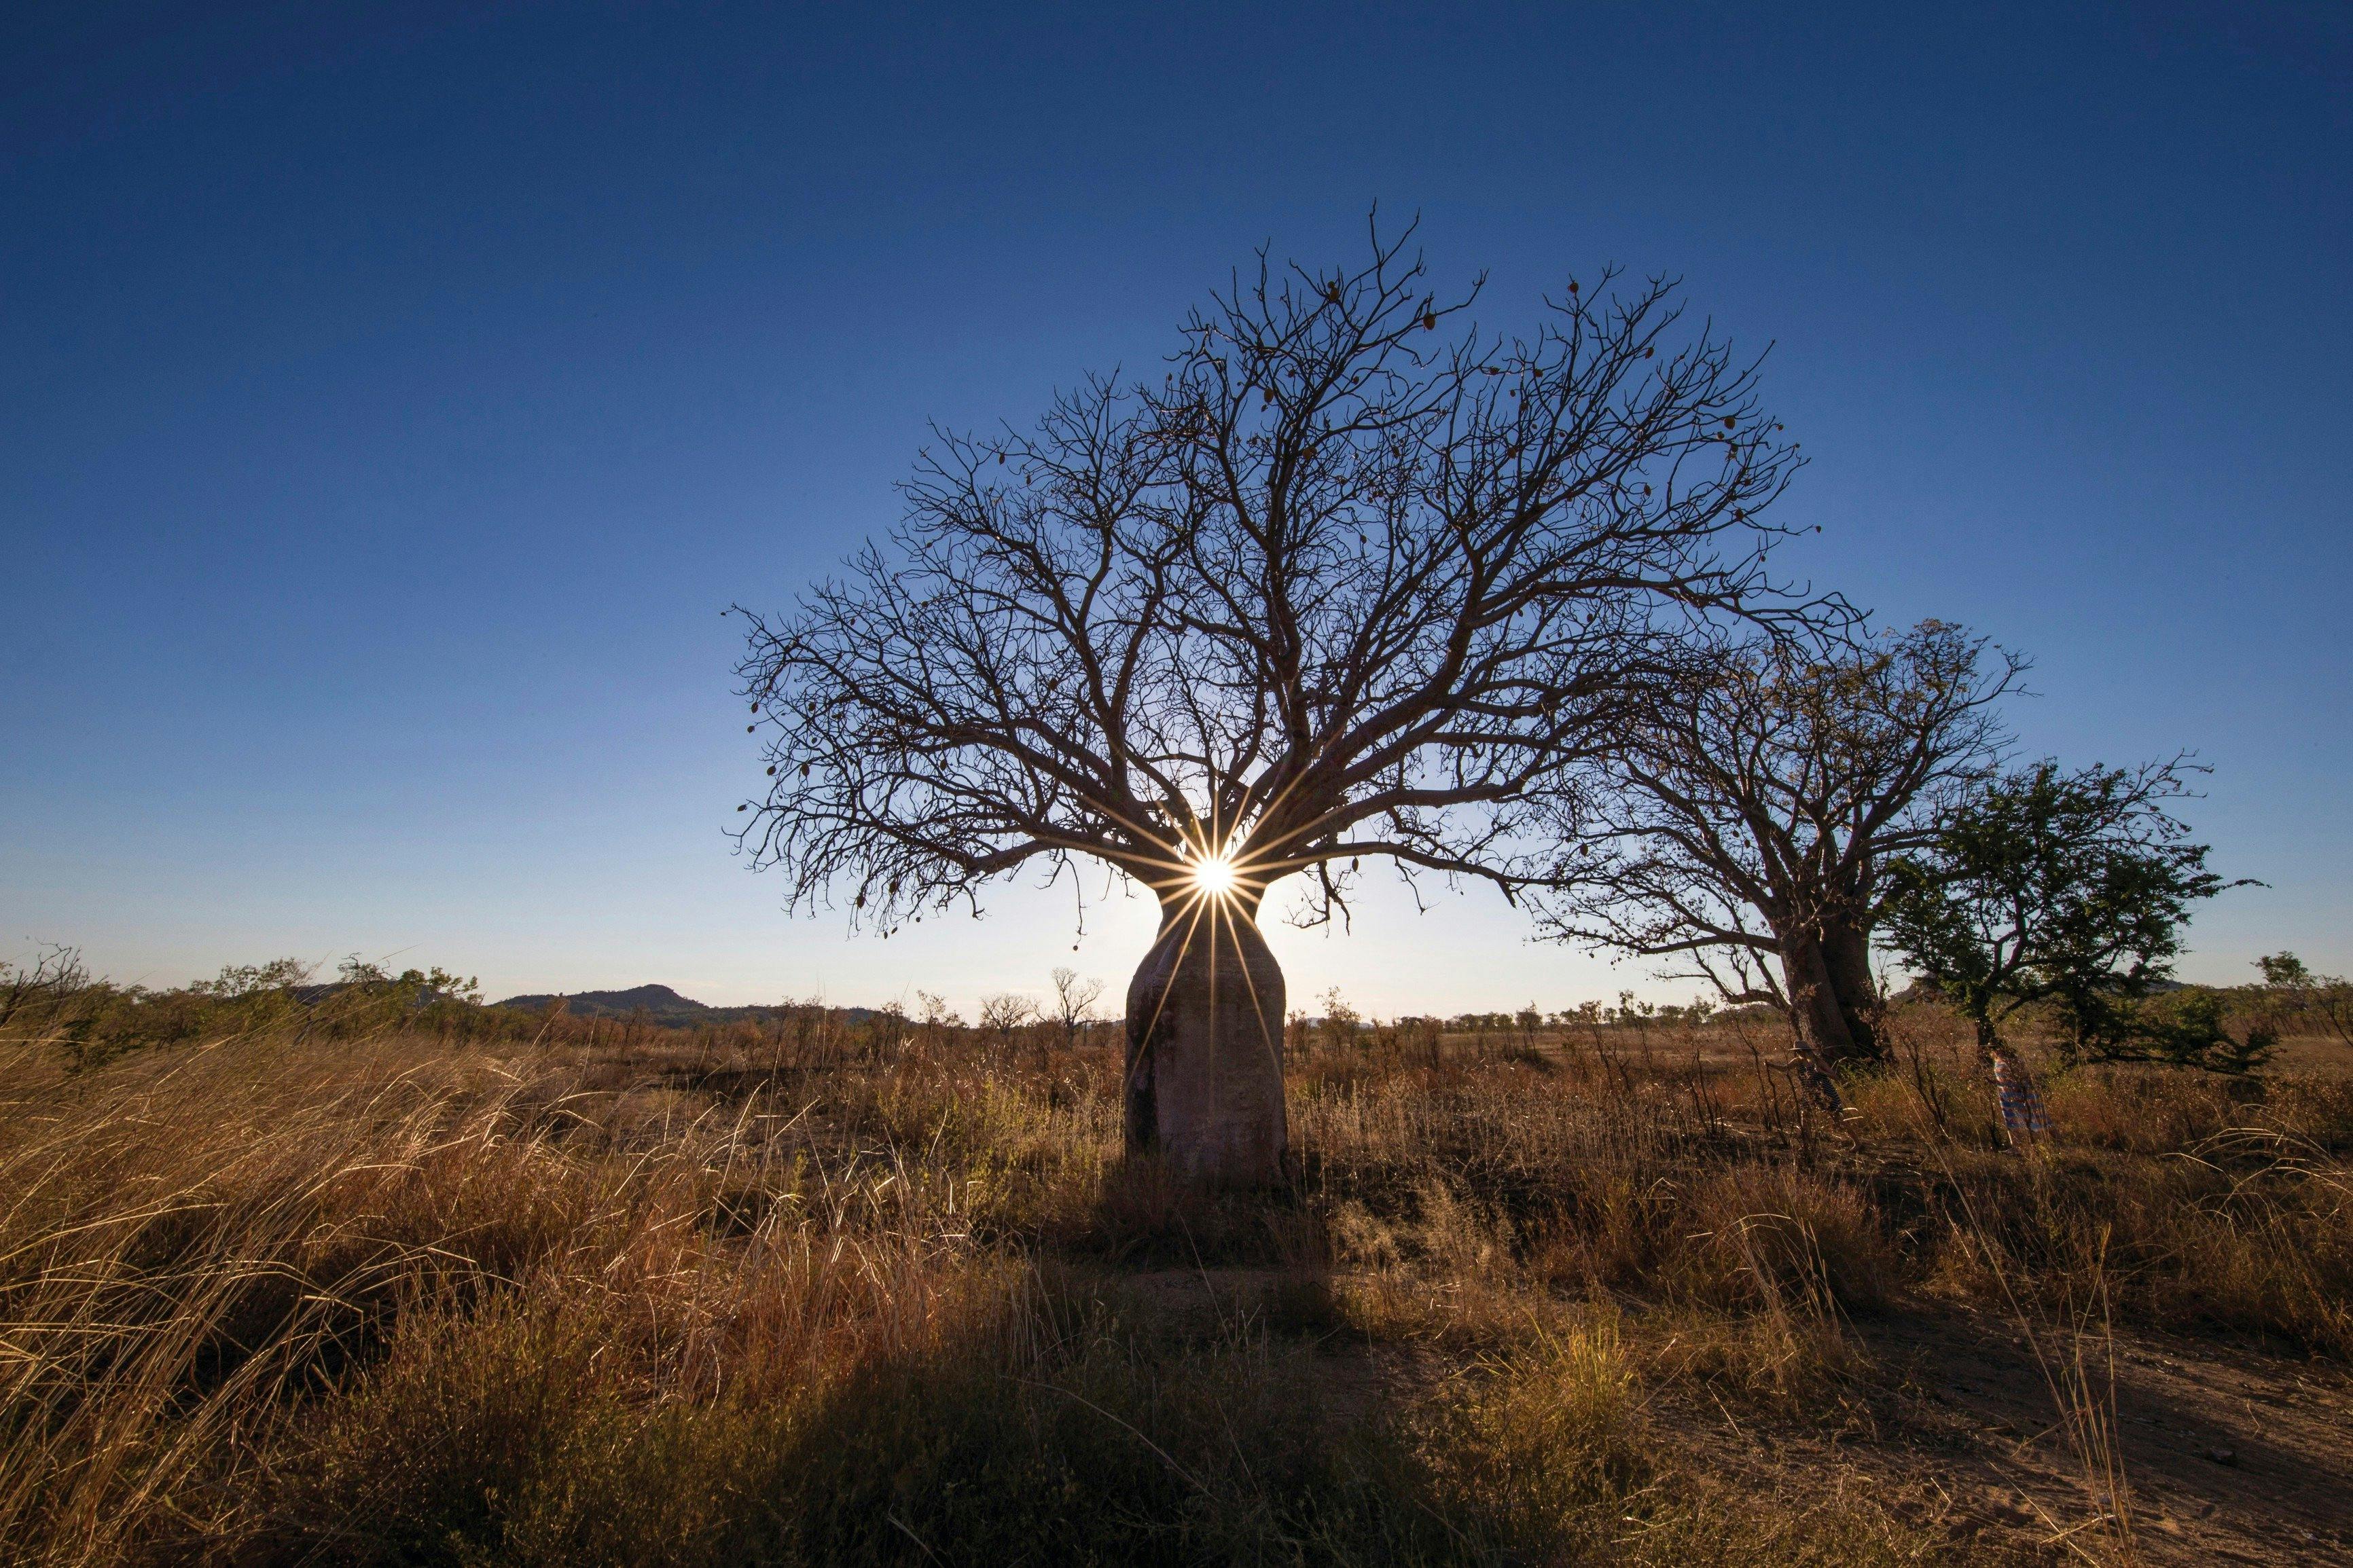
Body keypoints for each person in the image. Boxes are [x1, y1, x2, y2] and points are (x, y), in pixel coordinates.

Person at [1986, 1043, 2051, 1150]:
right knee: (2011, 1120)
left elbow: (2020, 1076)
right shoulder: (1998, 1061)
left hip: (2019, 1093)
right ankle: (2015, 1146)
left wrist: (2017, 1089)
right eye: (1995, 1050)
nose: (1997, 1052)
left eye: (1999, 1049)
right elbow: (2001, 1079)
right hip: (2005, 1095)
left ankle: (2054, 1140)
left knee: (2037, 1116)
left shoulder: (2013, 1061)